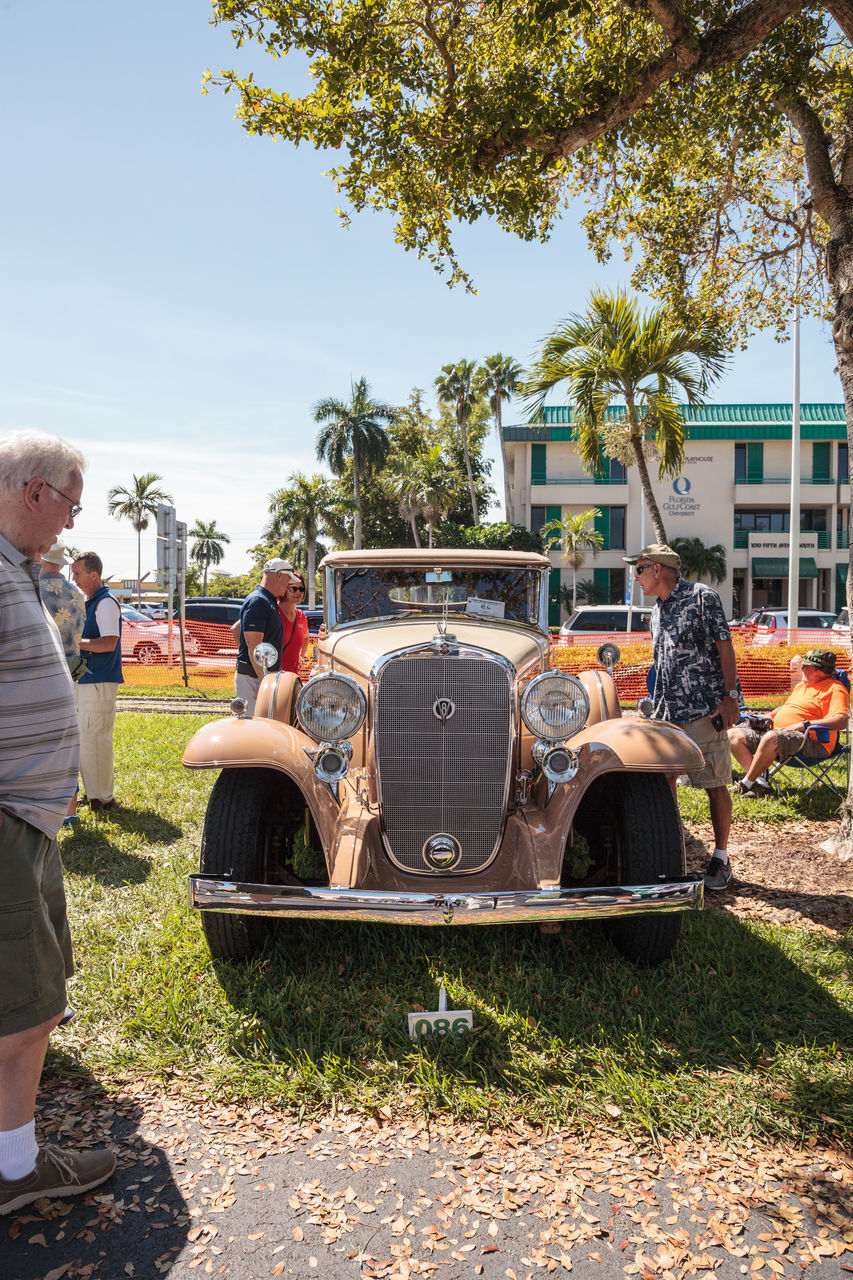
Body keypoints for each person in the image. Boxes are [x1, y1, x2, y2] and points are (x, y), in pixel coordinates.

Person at [0, 428, 116, 1216]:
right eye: (70, 503)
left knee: (32, 994)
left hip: (29, 819)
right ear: (34, 491)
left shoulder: (17, 569)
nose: (72, 523)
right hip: (7, 821)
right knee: (26, 1010)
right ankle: (16, 1171)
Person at [625, 543, 740, 892]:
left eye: (640, 568)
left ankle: (720, 858)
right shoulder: (657, 611)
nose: (636, 576)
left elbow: (725, 646)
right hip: (666, 713)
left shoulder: (702, 597)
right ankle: (672, 854)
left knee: (715, 783)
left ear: (658, 569)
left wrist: (730, 697)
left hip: (703, 709)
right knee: (664, 783)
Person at [728, 647, 850, 796]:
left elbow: (841, 720)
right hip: (778, 735)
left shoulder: (835, 689)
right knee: (733, 736)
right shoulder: (802, 686)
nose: (801, 669)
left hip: (812, 742)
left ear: (818, 670)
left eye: (805, 667)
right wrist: (766, 719)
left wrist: (803, 724)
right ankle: (760, 783)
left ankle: (746, 784)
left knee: (772, 737)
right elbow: (790, 708)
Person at [71, 553, 123, 812]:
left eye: (78, 573)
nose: (74, 579)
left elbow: (109, 642)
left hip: (99, 682)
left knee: (96, 739)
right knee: (87, 738)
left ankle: (103, 798)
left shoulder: (105, 603)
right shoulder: (92, 602)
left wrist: (74, 643)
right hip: (88, 681)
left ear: (94, 574)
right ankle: (94, 793)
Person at [39, 543, 86, 828]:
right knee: (68, 740)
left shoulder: (34, 589)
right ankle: (71, 811)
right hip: (71, 673)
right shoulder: (77, 593)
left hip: (41, 671)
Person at [234, 558, 290, 714]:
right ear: (279, 575)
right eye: (287, 580)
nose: (288, 586)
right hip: (255, 678)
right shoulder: (259, 600)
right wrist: (264, 683)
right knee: (256, 727)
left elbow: (236, 630)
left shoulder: (264, 600)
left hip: (257, 676)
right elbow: (254, 645)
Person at [277, 570, 312, 674]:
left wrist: (301, 656)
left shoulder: (302, 616)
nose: (298, 592)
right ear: (284, 590)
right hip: (272, 678)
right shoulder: (272, 611)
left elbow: (306, 637)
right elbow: (236, 629)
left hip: (292, 678)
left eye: (301, 589)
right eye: (293, 589)